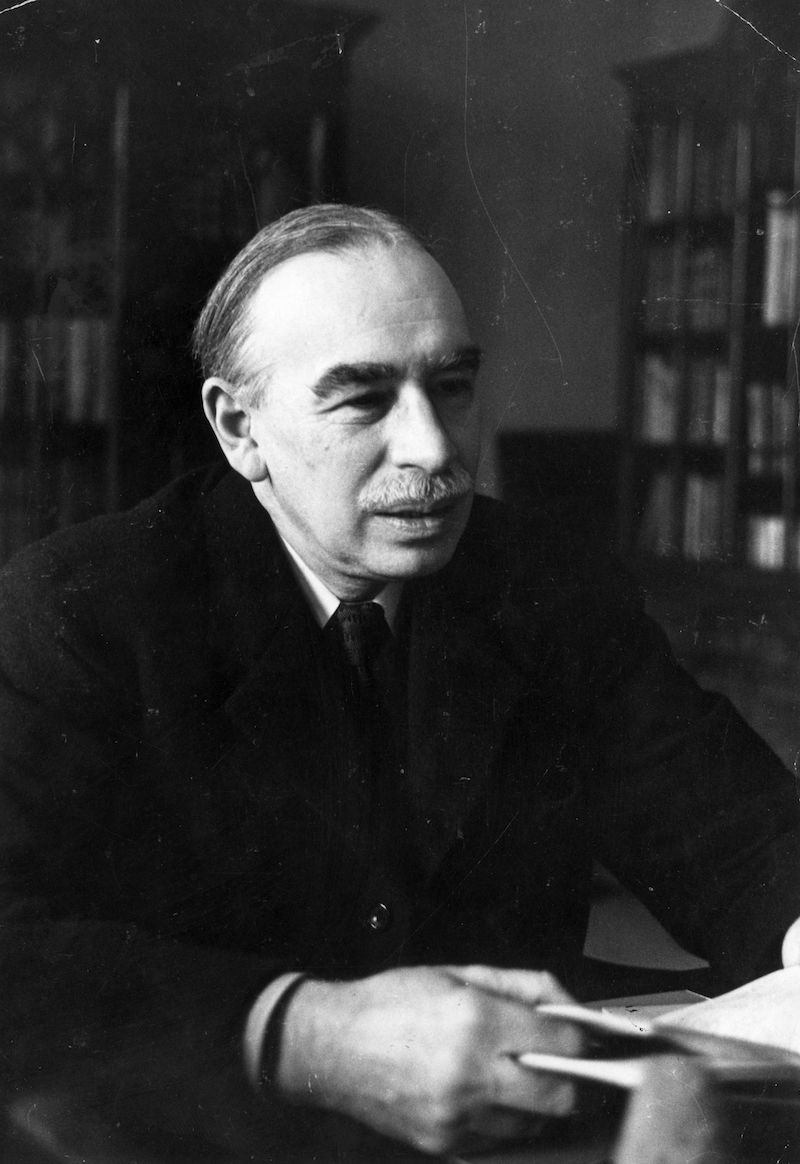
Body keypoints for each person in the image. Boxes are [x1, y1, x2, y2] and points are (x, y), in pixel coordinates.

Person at [0, 203, 799, 1161]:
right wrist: (310, 1034)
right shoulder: (83, 611)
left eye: (452, 386)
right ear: (238, 427)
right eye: (365, 400)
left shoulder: (545, 584)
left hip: (517, 1123)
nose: (433, 449)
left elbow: (737, 831)